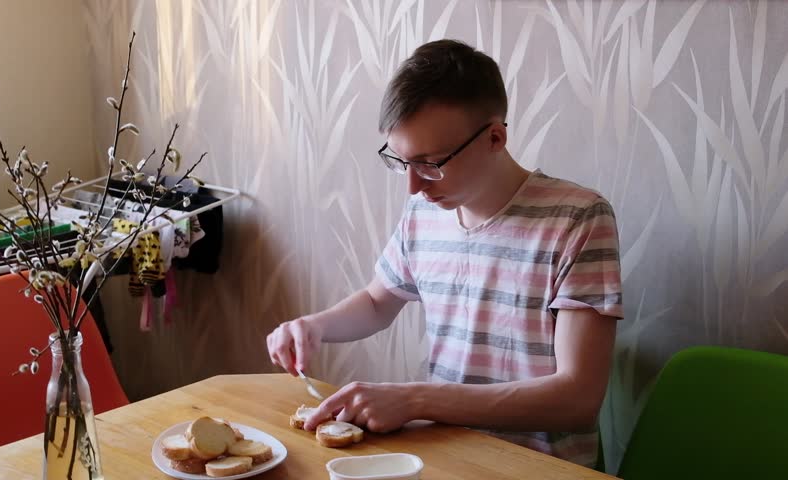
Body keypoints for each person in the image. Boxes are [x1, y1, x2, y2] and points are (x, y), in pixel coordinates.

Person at [266, 39, 622, 467]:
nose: (413, 187)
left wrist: (416, 399)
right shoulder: (424, 211)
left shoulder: (578, 218)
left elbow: (577, 398)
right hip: (444, 460)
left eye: (430, 163)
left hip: (540, 468)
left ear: (495, 137)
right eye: (401, 162)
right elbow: (379, 302)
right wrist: (313, 326)